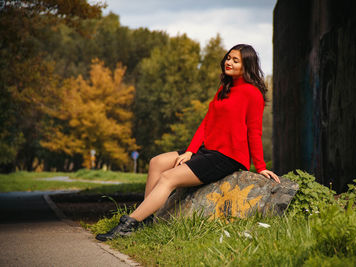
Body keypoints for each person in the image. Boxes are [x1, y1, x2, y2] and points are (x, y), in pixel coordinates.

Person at [96, 44, 280, 242]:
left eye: (236, 61)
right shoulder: (224, 89)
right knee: (156, 162)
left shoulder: (253, 94)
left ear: (247, 66)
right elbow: (206, 123)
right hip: (207, 150)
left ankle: (128, 224)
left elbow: (254, 131)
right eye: (228, 58)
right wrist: (191, 151)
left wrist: (260, 166)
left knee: (168, 178)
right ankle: (145, 219)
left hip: (227, 157)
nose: (229, 62)